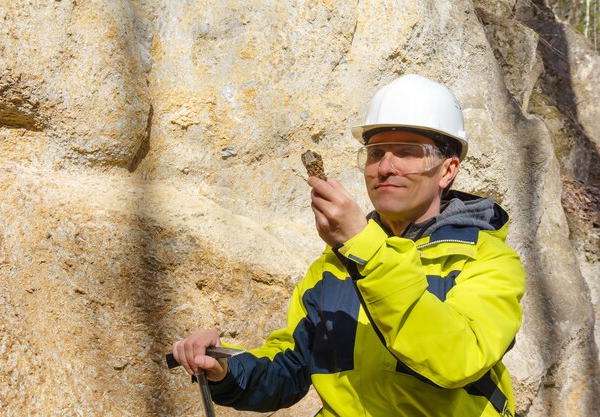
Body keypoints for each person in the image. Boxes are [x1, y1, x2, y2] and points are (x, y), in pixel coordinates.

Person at [171, 74, 525, 417]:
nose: (386, 167)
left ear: (447, 171)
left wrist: (364, 247)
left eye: (407, 152)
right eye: (375, 153)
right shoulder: (334, 269)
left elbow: (458, 359)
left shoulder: (487, 260)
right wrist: (225, 370)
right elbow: (289, 367)